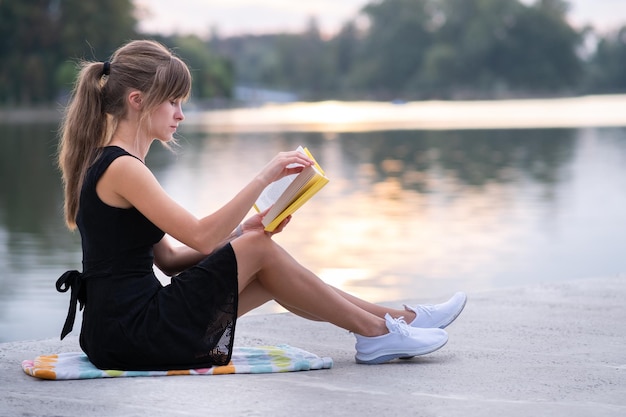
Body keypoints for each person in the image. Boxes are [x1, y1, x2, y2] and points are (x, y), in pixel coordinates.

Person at [56, 39, 467, 370]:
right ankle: (378, 333)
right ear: (137, 100)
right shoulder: (123, 167)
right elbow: (200, 234)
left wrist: (241, 234)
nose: (181, 114)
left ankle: (396, 321)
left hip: (121, 329)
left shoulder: (120, 163)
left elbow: (168, 259)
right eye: (173, 101)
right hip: (132, 331)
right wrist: (264, 177)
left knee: (262, 260)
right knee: (258, 250)